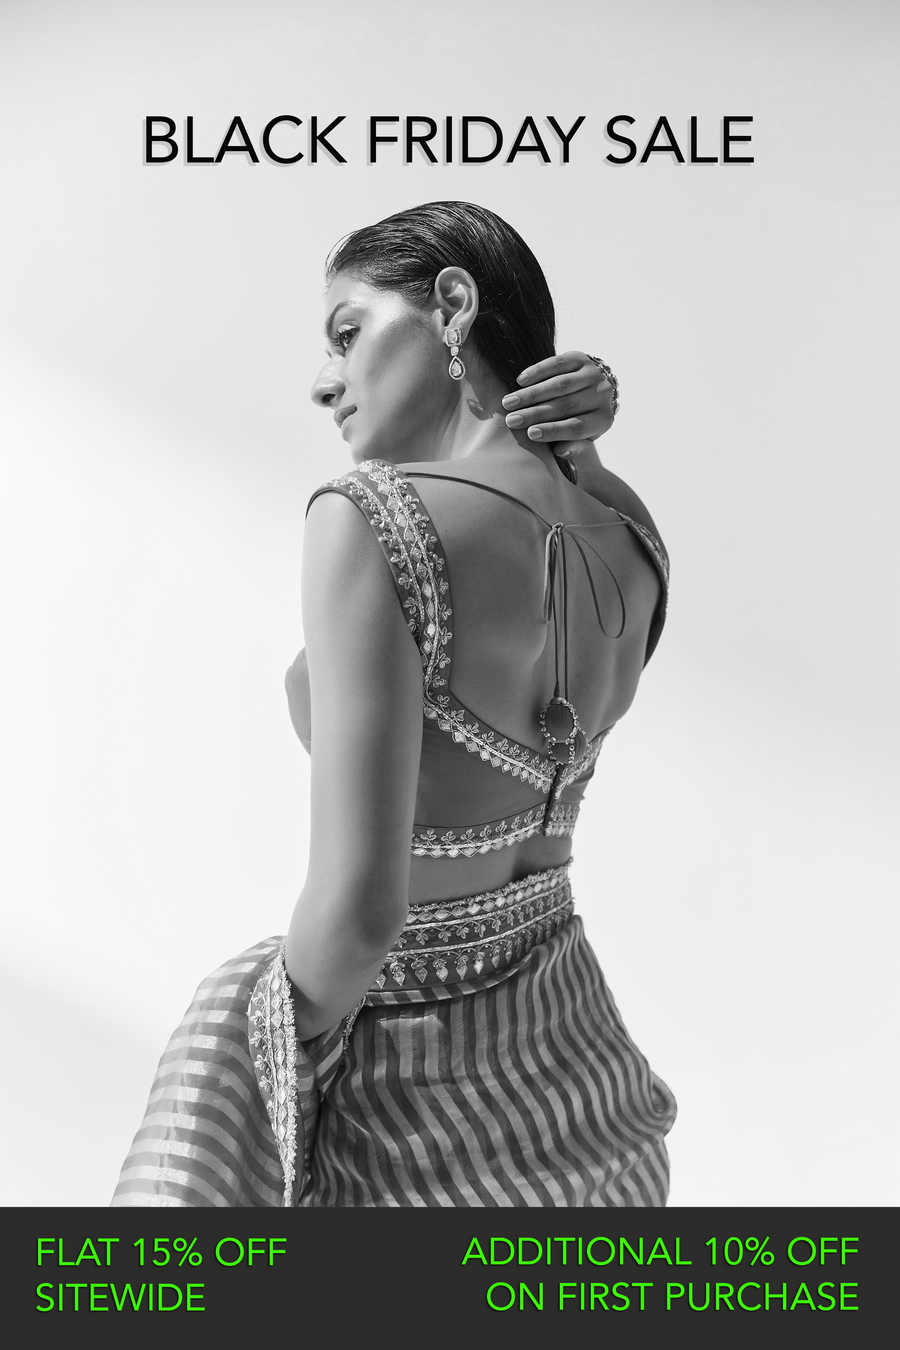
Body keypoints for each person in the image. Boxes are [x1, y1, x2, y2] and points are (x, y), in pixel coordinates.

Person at [113, 201, 675, 1208]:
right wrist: (580, 442)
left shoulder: (368, 518)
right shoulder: (630, 532)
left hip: (415, 1119)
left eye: (348, 332)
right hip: (589, 1099)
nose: (324, 381)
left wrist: (250, 1033)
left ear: (452, 306)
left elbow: (361, 917)